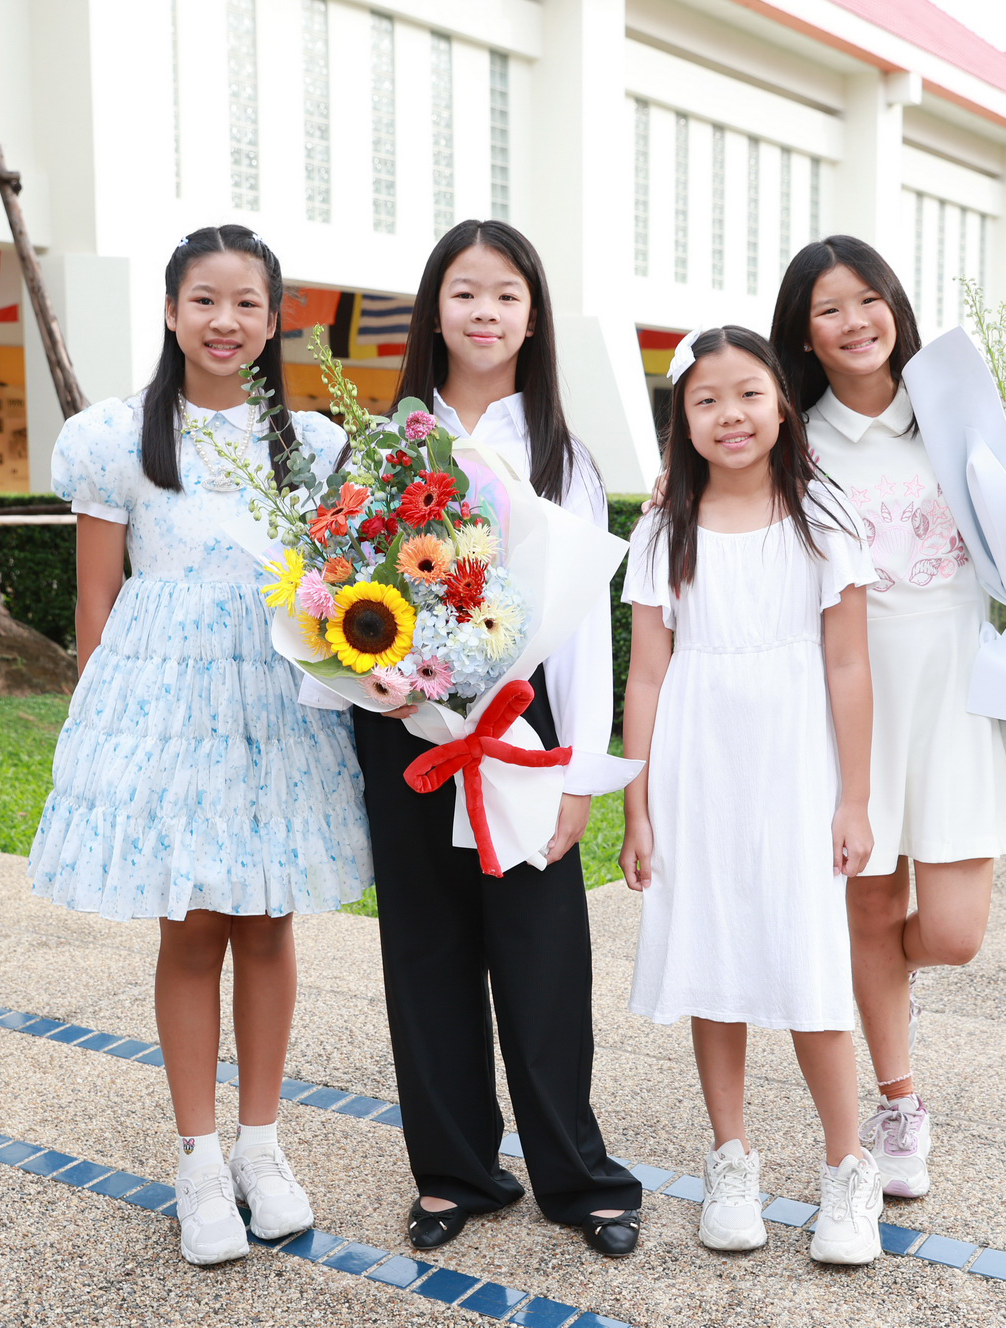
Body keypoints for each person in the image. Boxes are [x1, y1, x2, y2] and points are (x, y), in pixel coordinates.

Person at [28, 225, 372, 1266]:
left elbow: (333, 585)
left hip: (277, 706)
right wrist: (108, 735)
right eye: (206, 301)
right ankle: (198, 1158)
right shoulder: (115, 438)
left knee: (266, 922)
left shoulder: (314, 446)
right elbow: (97, 603)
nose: (227, 321)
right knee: (189, 926)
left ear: (274, 320)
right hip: (163, 707)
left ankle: (262, 1145)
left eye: (248, 303)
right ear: (173, 311)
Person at [767, 236, 1006, 1200]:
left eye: (868, 299)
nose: (855, 322)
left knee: (956, 931)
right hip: (848, 707)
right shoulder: (792, 441)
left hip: (954, 700)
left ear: (895, 305)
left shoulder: (959, 419)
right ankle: (898, 1099)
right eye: (829, 309)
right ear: (803, 332)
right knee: (871, 907)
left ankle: (885, 977)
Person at [314, 219, 643, 1257]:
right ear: (433, 309)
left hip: (518, 730)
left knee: (543, 958)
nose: (485, 312)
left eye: (506, 293)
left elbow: (583, 629)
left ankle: (578, 1178)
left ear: (533, 316)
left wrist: (580, 773)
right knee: (426, 954)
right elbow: (335, 591)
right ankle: (455, 1173)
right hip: (407, 727)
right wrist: (371, 684)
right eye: (464, 292)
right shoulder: (383, 446)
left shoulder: (561, 454)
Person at [618, 325, 886, 1264]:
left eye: (747, 395)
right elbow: (647, 674)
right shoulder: (665, 529)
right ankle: (730, 1159)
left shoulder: (823, 515)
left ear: (780, 403)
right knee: (713, 953)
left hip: (796, 763)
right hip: (697, 765)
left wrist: (855, 799)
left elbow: (849, 664)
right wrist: (636, 804)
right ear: (681, 420)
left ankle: (848, 1168)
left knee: (810, 960)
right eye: (705, 400)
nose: (729, 415)